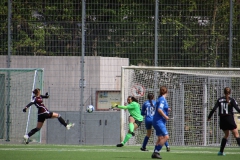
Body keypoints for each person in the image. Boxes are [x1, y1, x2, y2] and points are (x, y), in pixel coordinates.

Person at [208, 87, 240, 156]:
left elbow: (214, 109)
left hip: (222, 120)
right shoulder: (231, 100)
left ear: (224, 92)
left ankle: (221, 152)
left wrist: (209, 116)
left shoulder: (219, 100)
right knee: (236, 135)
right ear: (230, 92)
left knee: (226, 135)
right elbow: (237, 109)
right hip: (229, 119)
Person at [151, 86, 170, 159]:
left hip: (157, 121)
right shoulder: (162, 99)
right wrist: (165, 116)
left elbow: (159, 108)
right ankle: (156, 152)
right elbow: (159, 110)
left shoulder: (159, 99)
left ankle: (154, 153)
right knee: (166, 137)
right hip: (159, 121)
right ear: (166, 92)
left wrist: (167, 109)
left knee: (160, 138)